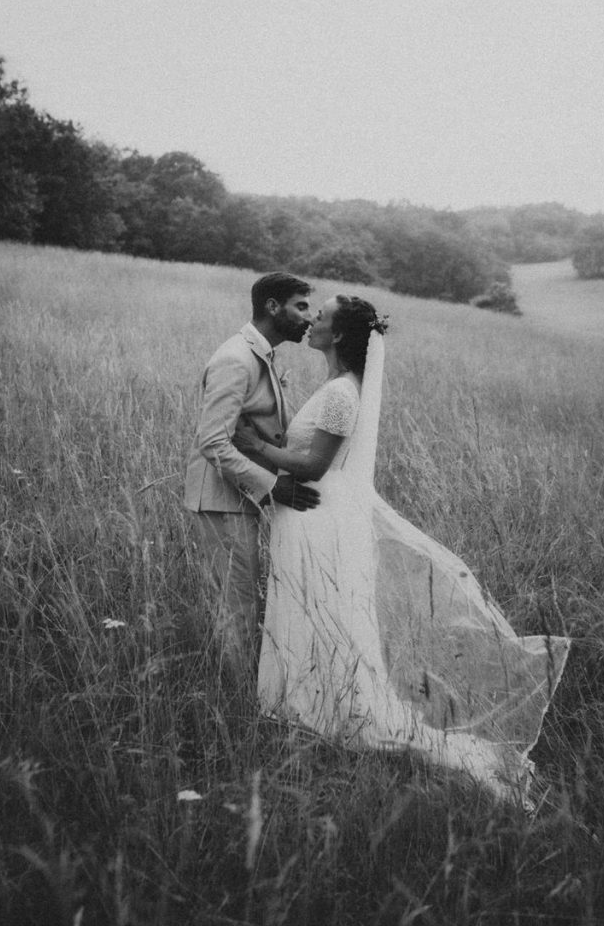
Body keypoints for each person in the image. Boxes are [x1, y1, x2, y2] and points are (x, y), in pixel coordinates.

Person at [236, 294, 570, 800]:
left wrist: (250, 445)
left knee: (327, 613)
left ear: (341, 335)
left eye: (320, 317)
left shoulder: (343, 394)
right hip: (307, 518)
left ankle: (335, 710)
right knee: (311, 611)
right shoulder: (336, 387)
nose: (311, 323)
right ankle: (304, 702)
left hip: (318, 519)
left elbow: (312, 467)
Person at [184, 272, 320, 682]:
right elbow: (213, 442)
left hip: (238, 497)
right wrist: (272, 485)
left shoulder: (262, 354)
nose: (308, 317)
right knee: (237, 604)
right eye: (301, 306)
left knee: (241, 600)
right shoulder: (235, 358)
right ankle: (237, 703)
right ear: (273, 306)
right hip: (221, 500)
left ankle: (242, 691)